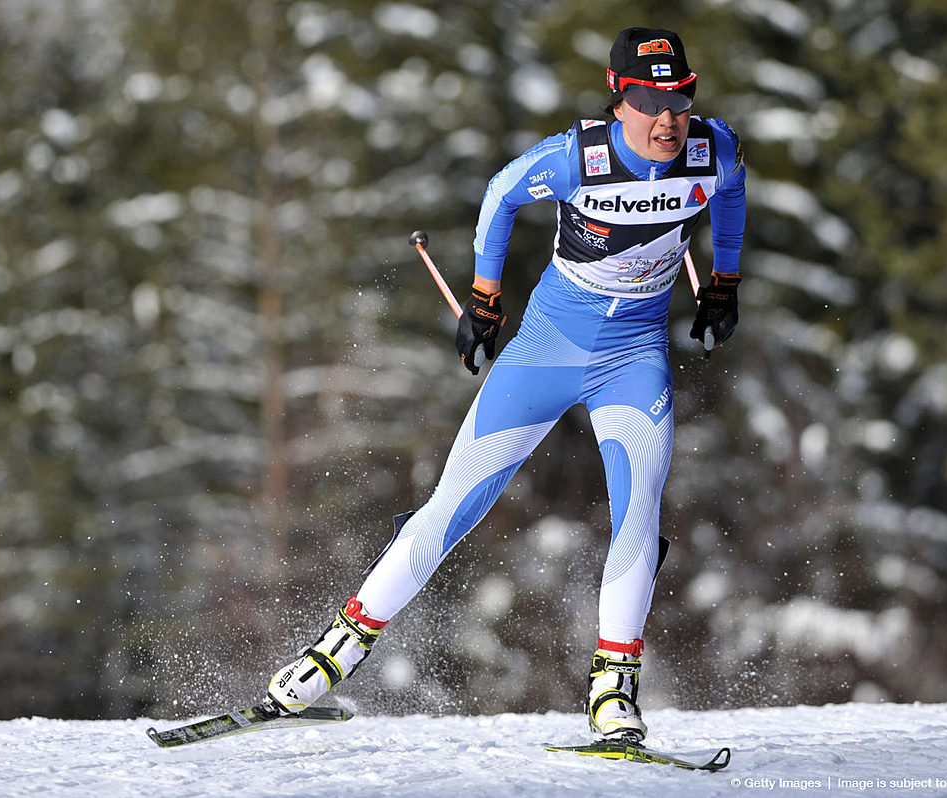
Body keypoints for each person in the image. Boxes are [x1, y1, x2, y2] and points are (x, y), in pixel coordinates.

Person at [263, 27, 746, 744]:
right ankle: (332, 654)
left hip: (633, 357)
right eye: (650, 102)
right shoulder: (576, 159)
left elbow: (731, 196)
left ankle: (613, 693)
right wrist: (486, 299)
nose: (668, 119)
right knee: (452, 506)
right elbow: (501, 193)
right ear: (619, 100)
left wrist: (725, 284)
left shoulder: (713, 149)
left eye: (679, 98)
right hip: (548, 350)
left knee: (638, 513)